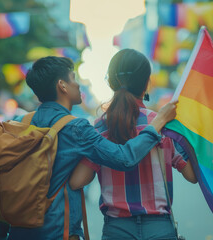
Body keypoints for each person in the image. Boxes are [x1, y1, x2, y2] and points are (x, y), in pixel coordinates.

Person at [0, 56, 177, 240]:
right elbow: (124, 158)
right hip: (57, 230)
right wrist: (158, 122)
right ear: (62, 86)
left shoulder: (21, 122)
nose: (78, 85)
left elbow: (4, 178)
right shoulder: (77, 128)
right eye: (73, 79)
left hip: (18, 230)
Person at [69, 49, 197, 240]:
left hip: (116, 230)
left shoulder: (99, 130)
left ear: (111, 83)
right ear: (146, 83)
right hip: (160, 229)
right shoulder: (163, 125)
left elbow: (77, 181)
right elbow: (192, 176)